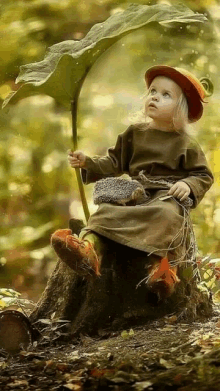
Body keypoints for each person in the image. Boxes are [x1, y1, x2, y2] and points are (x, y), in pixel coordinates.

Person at [51, 65, 214, 299]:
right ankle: (87, 251)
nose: (155, 97)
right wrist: (88, 162)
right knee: (105, 211)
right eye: (153, 91)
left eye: (166, 95)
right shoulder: (134, 133)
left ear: (181, 109)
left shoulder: (186, 143)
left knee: (168, 217)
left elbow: (203, 175)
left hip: (165, 196)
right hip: (134, 194)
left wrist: (188, 185)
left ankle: (163, 268)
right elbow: (114, 162)